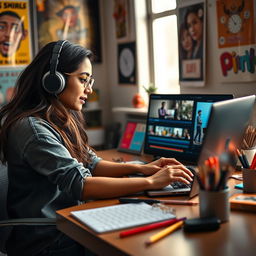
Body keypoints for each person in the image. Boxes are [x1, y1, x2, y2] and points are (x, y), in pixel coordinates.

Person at [0, 40, 193, 256]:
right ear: (54, 80)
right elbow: (82, 184)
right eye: (83, 80)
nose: (89, 89)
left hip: (66, 222)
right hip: (47, 238)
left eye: (89, 81)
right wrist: (151, 182)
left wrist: (143, 169)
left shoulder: (59, 117)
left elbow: (92, 163)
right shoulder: (32, 128)